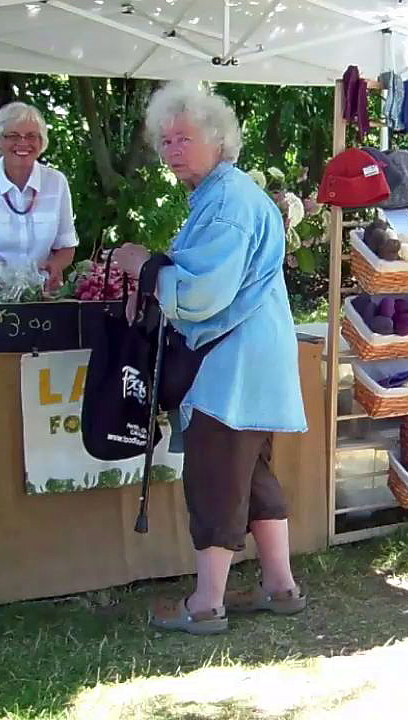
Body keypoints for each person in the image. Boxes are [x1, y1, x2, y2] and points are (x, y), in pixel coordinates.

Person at [111, 82, 308, 635]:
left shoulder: (226, 201)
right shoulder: (227, 195)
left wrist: (143, 264)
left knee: (217, 477)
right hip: (253, 358)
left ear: (219, 141)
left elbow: (203, 293)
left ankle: (206, 605)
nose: (173, 150)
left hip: (232, 364)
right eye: (166, 140)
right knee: (254, 475)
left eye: (184, 138)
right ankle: (280, 586)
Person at [0, 101, 78, 292]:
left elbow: (66, 245)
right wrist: (12, 283)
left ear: (42, 142)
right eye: (13, 136)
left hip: (39, 294)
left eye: (31, 136)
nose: (23, 143)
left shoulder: (57, 182)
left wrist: (55, 266)